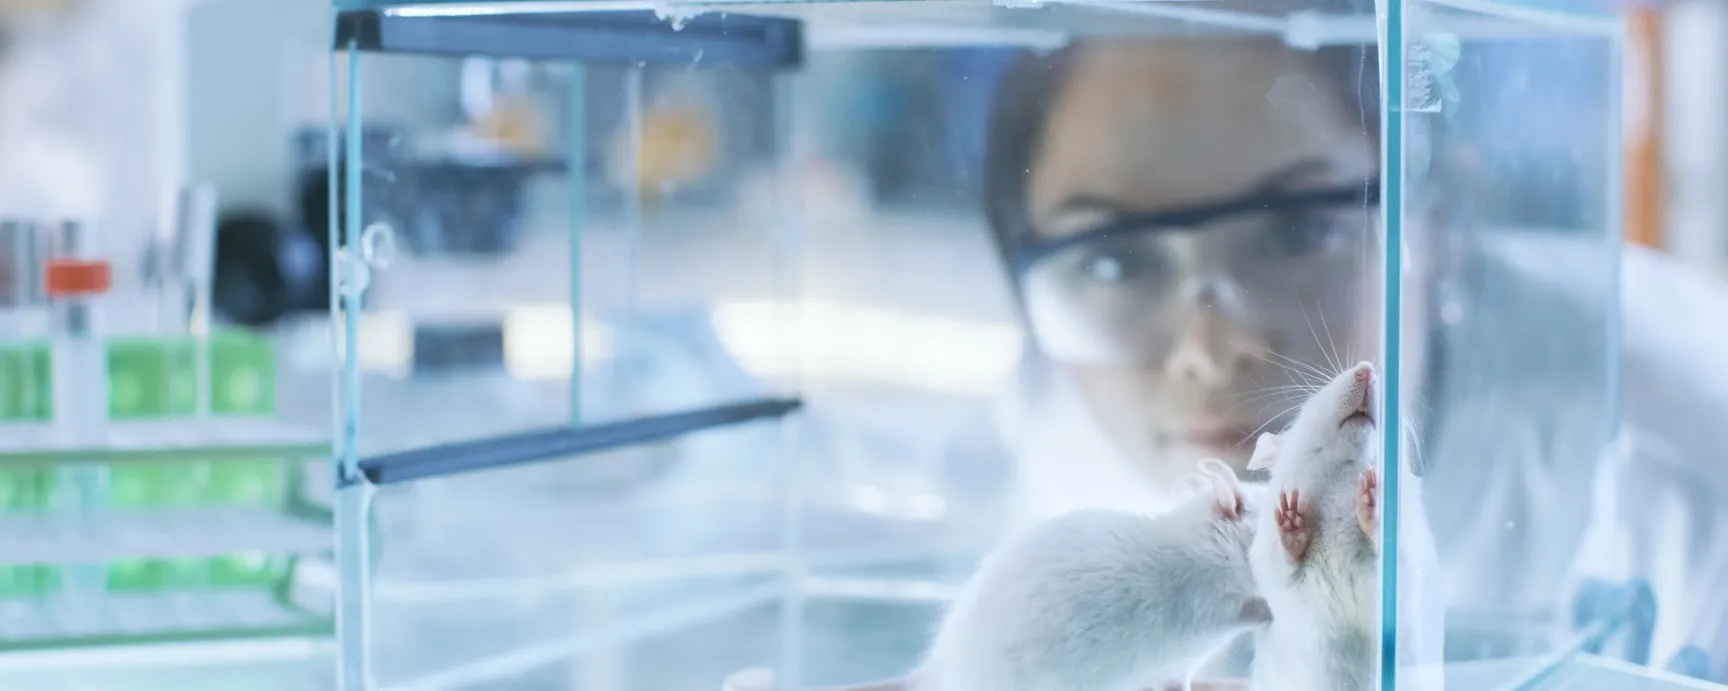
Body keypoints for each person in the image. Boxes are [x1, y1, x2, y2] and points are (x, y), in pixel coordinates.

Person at [979, 22, 1727, 688]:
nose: (1207, 352)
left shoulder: (1675, 463)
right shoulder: (1041, 428)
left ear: (1439, 220)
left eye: (1297, 232)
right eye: (1110, 261)